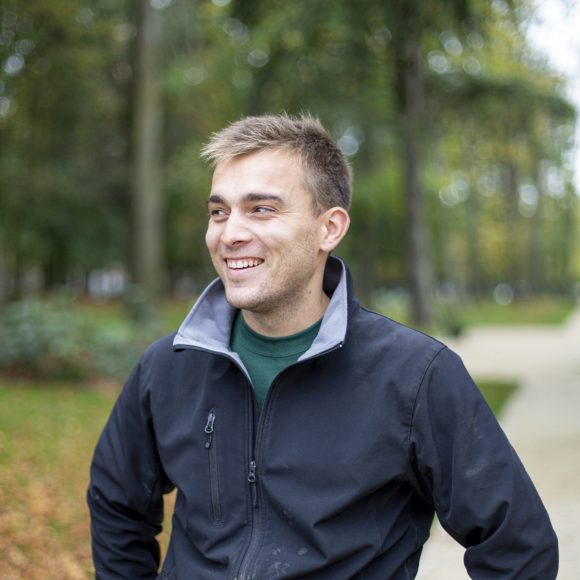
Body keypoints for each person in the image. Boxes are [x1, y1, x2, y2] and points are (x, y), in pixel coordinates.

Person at [87, 113, 558, 579]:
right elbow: (117, 504)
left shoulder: (416, 375)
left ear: (329, 228)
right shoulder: (169, 366)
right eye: (218, 212)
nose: (229, 233)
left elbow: (518, 548)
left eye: (261, 209)